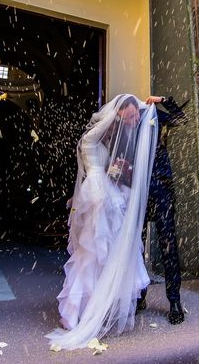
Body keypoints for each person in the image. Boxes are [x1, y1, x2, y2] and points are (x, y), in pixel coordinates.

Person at [47, 94, 158, 350]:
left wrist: (117, 169)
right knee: (92, 251)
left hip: (105, 188)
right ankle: (79, 312)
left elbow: (110, 164)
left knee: (99, 254)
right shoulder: (92, 137)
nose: (132, 120)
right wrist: (122, 116)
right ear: (116, 113)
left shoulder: (107, 138)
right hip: (97, 192)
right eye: (129, 115)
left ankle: (89, 309)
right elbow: (95, 157)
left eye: (134, 116)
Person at [137, 95, 187, 325]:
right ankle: (140, 295)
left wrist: (164, 100)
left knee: (168, 245)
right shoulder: (133, 121)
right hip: (140, 191)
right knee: (136, 246)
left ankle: (174, 300)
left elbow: (181, 120)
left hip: (163, 189)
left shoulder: (158, 115)